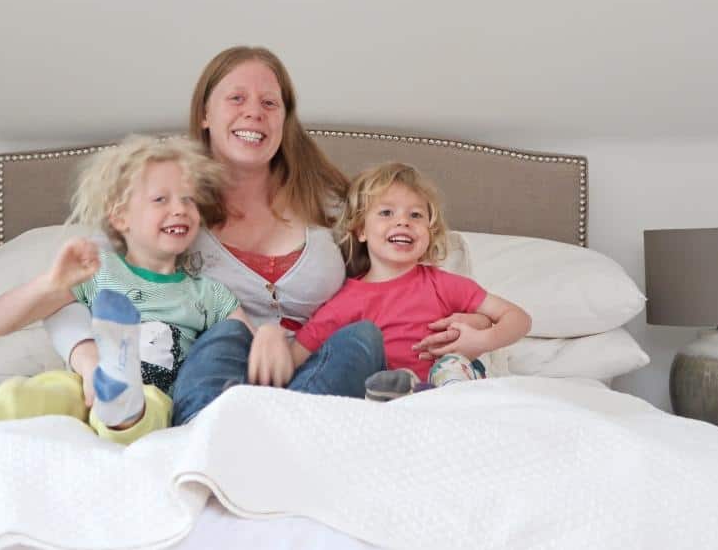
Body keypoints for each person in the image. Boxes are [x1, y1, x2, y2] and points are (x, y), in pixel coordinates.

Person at [47, 46, 481, 425]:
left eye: (270, 103)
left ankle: (288, 433)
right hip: (222, 373)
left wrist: (471, 323)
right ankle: (209, 432)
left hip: (318, 373)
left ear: (284, 120)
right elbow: (73, 286)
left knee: (364, 336)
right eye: (236, 98)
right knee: (225, 335)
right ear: (205, 114)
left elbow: (407, 272)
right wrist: (89, 362)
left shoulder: (331, 203)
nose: (254, 111)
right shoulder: (172, 204)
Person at [0, 135, 252, 465]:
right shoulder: (97, 271)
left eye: (189, 200)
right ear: (120, 217)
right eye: (160, 199)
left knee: (149, 405)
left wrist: (266, 343)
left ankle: (121, 399)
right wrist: (50, 285)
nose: (179, 209)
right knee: (29, 395)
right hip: (83, 386)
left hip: (158, 395)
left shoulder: (207, 293)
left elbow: (241, 347)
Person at [292, 162, 532, 401]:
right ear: (360, 231)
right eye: (386, 212)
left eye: (415, 215)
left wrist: (481, 340)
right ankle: (398, 397)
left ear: (430, 231)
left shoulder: (444, 285)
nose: (403, 222)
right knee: (376, 376)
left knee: (452, 364)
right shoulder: (344, 301)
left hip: (445, 386)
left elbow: (518, 318)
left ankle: (451, 403)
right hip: (383, 390)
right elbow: (297, 355)